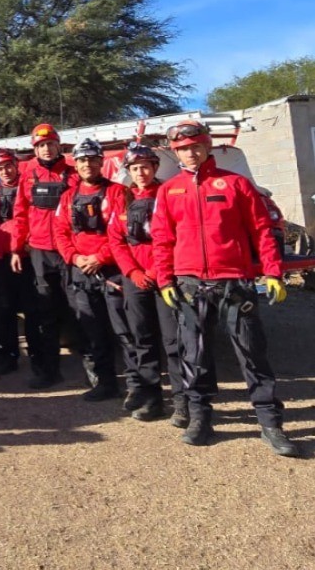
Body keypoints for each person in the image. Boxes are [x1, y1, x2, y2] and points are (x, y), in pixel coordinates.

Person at [151, 120, 298, 456]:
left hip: (234, 282)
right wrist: (164, 280)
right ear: (176, 152)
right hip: (189, 285)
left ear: (207, 146)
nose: (190, 153)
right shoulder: (168, 190)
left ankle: (270, 423)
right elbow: (162, 239)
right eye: (183, 149)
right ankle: (201, 418)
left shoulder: (236, 184)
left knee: (252, 354)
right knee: (195, 356)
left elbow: (262, 230)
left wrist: (273, 273)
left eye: (195, 146)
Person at [107, 144, 183, 423]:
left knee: (173, 340)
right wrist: (133, 272)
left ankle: (183, 400)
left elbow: (178, 235)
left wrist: (158, 270)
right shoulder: (122, 199)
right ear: (128, 171)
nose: (141, 173)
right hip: (135, 280)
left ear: (155, 168)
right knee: (143, 340)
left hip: (166, 278)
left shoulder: (168, 194)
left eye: (146, 167)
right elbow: (116, 240)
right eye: (135, 168)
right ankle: (153, 400)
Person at [53, 138, 127, 401]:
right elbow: (60, 232)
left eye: (92, 159)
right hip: (81, 272)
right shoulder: (67, 197)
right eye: (82, 160)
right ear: (76, 164)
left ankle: (139, 387)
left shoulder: (117, 193)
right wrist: (75, 258)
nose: (87, 164)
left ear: (101, 162)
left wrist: (101, 256)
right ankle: (106, 383)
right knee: (93, 331)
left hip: (112, 272)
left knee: (124, 330)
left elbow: (122, 232)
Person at [11, 123, 76, 387]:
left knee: (80, 308)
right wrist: (16, 248)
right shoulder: (27, 176)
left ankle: (97, 371)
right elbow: (20, 214)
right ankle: (50, 370)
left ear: (58, 145)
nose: (47, 149)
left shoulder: (73, 174)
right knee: (45, 312)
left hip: (70, 252)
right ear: (35, 149)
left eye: (50, 144)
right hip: (40, 252)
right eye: (41, 146)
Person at [0, 148, 38, 377]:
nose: (5, 171)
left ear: (16, 166)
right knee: (4, 310)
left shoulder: (30, 190)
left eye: (8, 166)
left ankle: (37, 354)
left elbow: (35, 220)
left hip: (25, 257)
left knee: (32, 309)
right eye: (0, 168)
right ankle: (10, 355)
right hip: (0, 259)